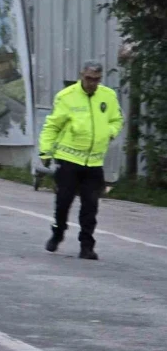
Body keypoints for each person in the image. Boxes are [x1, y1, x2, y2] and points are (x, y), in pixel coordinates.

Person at [39, 60, 124, 260]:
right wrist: (45, 152)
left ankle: (87, 245)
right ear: (81, 75)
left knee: (90, 206)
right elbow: (52, 126)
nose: (91, 83)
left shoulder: (108, 96)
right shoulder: (66, 97)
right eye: (88, 78)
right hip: (68, 160)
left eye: (96, 79)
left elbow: (117, 119)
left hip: (94, 162)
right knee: (63, 202)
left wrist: (108, 132)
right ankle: (58, 233)